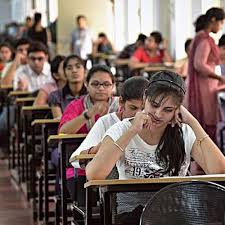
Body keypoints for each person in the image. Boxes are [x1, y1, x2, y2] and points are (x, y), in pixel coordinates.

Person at [86, 71, 225, 225]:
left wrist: (193, 123)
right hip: (132, 213)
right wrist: (132, 131)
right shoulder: (120, 129)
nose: (158, 114)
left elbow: (219, 171)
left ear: (178, 109)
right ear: (145, 97)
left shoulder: (184, 132)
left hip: (177, 212)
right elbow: (94, 174)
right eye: (154, 105)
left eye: (168, 110)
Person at [70, 76, 149, 167]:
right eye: (133, 108)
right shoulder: (106, 122)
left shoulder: (157, 123)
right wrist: (96, 149)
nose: (138, 114)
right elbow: (75, 160)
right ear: (121, 102)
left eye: (143, 109)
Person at [187, 7, 225, 144]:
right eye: (221, 23)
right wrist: (219, 77)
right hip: (204, 87)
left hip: (205, 85)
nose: (221, 26)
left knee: (208, 123)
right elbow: (199, 64)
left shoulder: (200, 37)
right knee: (207, 123)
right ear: (214, 20)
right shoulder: (204, 40)